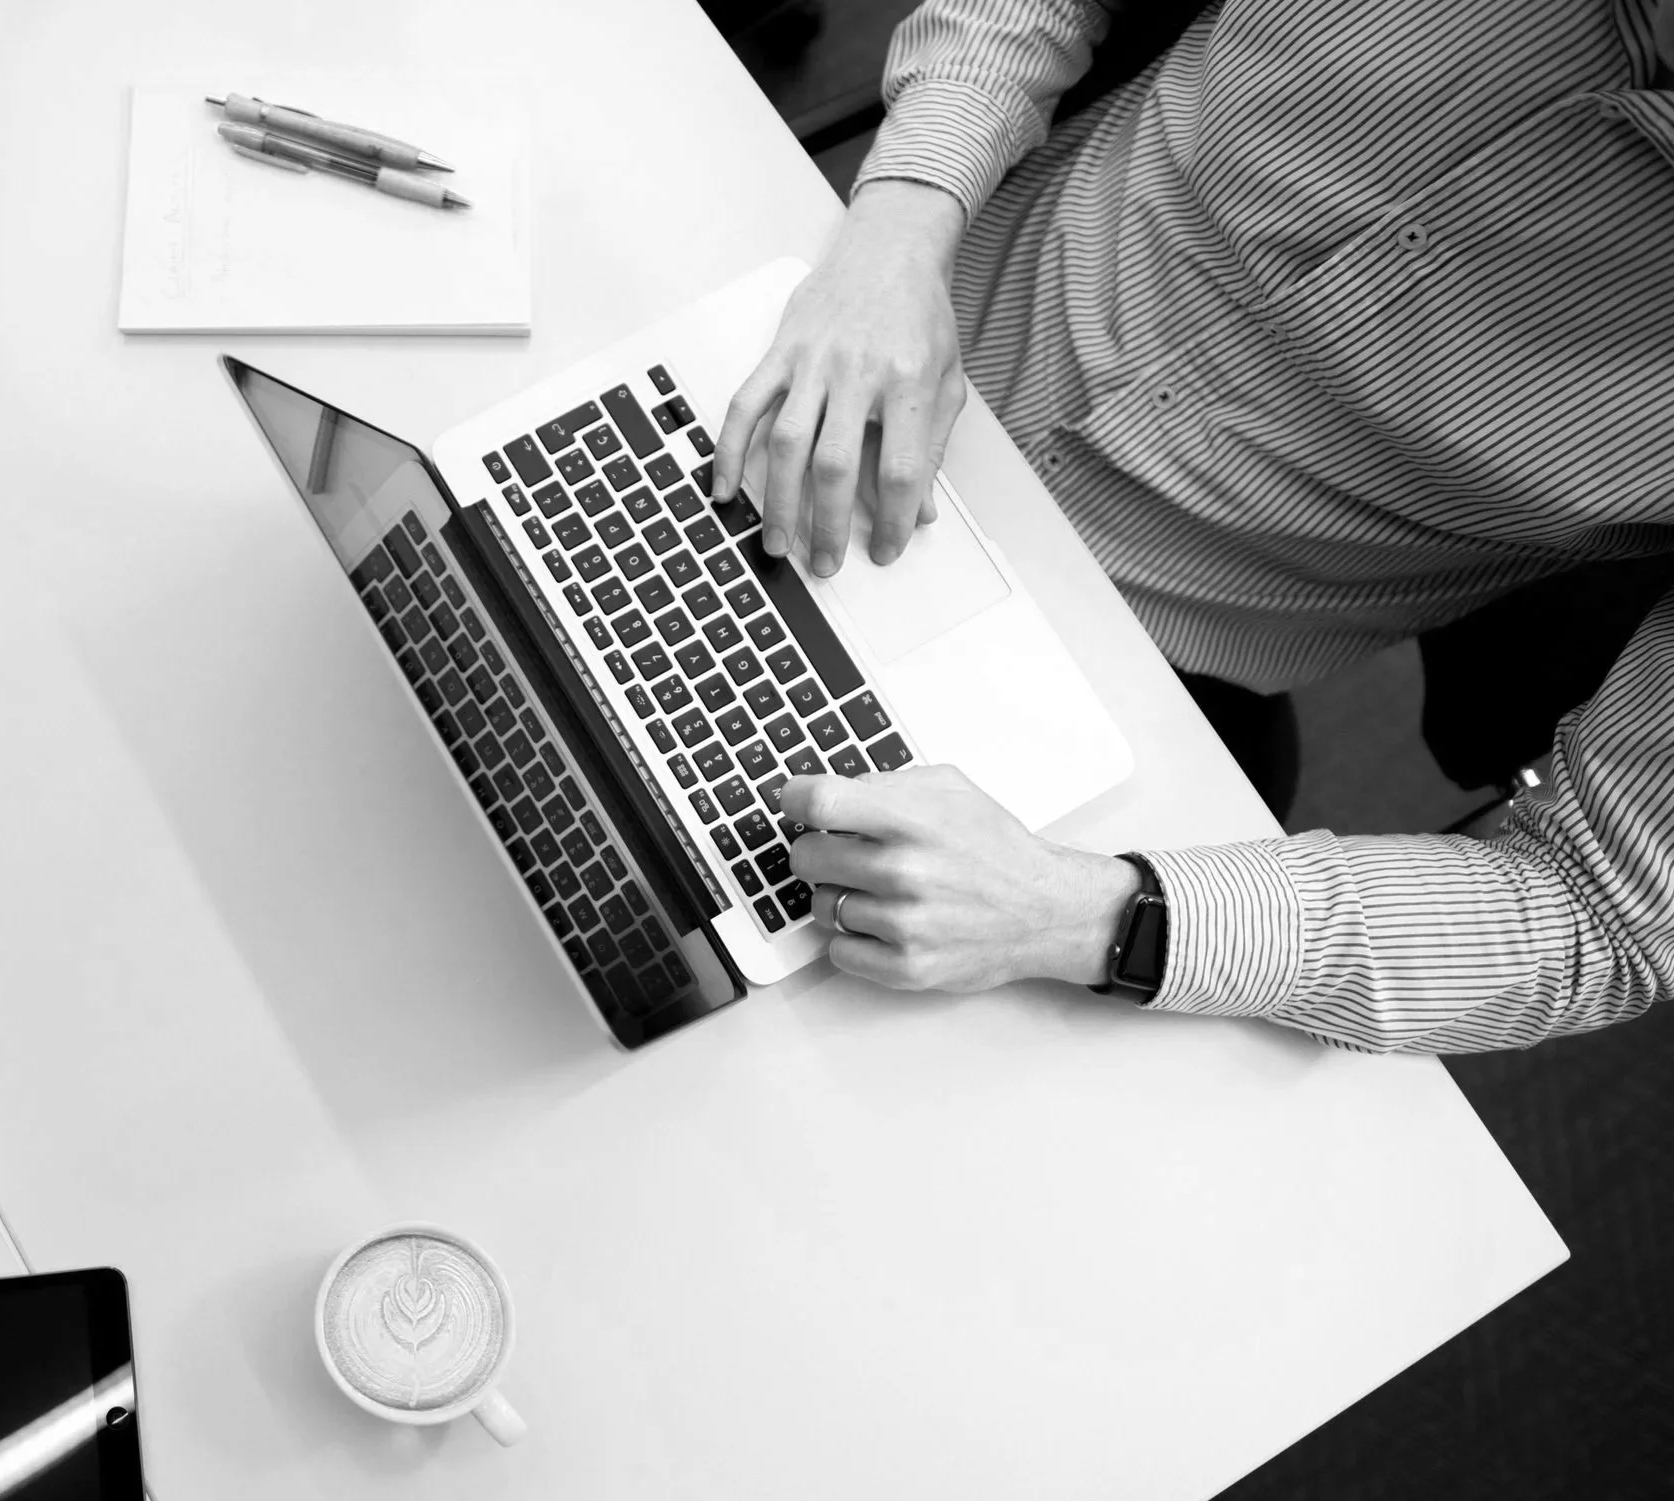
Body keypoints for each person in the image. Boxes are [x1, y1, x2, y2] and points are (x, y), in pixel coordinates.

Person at [714, 0, 1674, 1052]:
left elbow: (1602, 908)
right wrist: (899, 225)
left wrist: (1090, 916)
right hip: (838, 306)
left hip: (1110, 679)